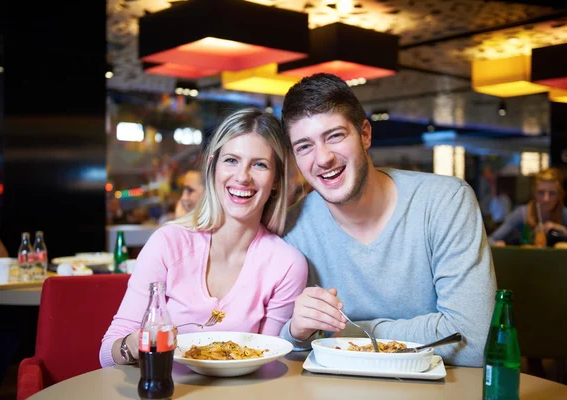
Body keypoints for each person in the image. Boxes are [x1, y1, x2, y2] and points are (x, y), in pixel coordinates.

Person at [277, 73, 496, 367]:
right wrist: (297, 332)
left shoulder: (445, 202)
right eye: (304, 146)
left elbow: (473, 342)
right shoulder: (293, 229)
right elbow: (286, 349)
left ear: (365, 134)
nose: (323, 158)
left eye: (335, 136)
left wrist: (350, 333)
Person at [100, 108, 308, 367]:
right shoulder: (168, 243)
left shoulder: (286, 264)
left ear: (276, 179)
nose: (242, 176)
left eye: (259, 164)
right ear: (212, 167)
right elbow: (108, 355)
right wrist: (134, 343)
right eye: (231, 160)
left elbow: (270, 363)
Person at [489, 167, 567, 246]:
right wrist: (499, 245)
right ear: (534, 193)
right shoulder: (521, 214)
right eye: (541, 192)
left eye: (552, 193)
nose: (546, 199)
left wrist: (563, 230)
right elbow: (490, 240)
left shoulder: (564, 214)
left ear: (560, 194)